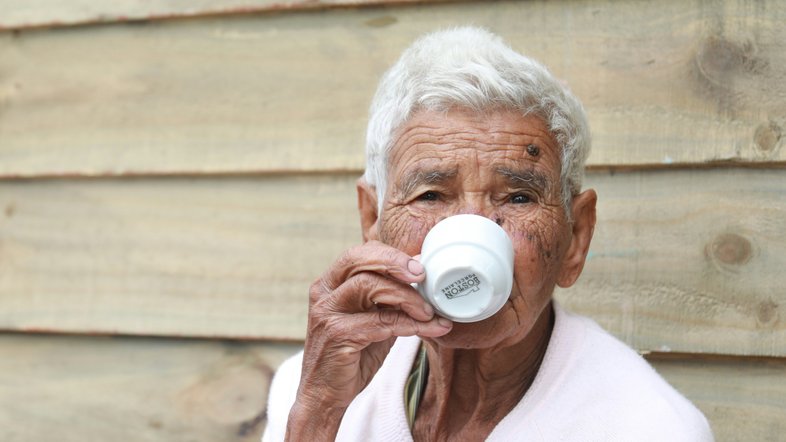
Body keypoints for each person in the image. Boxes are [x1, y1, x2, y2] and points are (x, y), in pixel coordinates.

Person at [263, 26, 713, 441]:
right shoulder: (314, 389)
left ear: (576, 239)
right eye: (431, 195)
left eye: (518, 197)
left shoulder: (649, 428)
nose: (472, 231)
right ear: (372, 222)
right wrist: (318, 415)